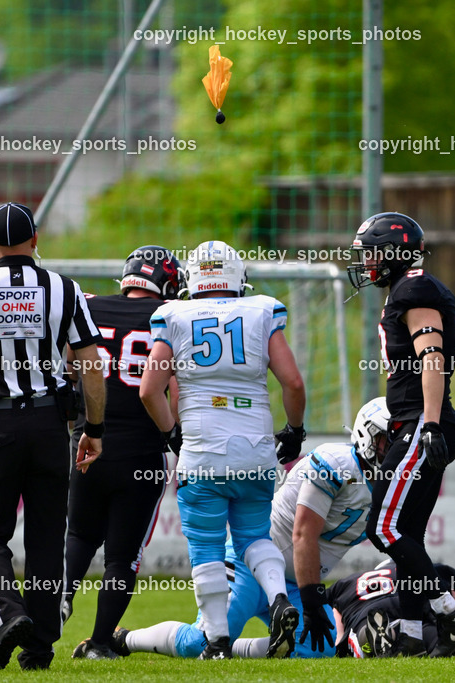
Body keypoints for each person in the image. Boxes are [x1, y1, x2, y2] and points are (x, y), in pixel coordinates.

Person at [0, 202, 106, 670]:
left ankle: (7, 614)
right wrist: (92, 430)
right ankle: (38, 647)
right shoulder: (65, 288)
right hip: (49, 424)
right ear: (36, 241)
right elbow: (91, 365)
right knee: (45, 538)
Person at [114, 397, 392, 659]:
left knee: (324, 646)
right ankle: (124, 639)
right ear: (367, 435)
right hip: (251, 563)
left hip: (294, 583)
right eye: (386, 441)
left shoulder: (391, 487)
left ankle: (235, 651)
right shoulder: (336, 463)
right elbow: (303, 534)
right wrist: (313, 599)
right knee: (201, 641)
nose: (392, 451)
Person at [139, 240, 306, 660]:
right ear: (238, 278)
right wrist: (296, 430)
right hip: (255, 449)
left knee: (208, 550)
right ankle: (277, 597)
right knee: (254, 536)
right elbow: (293, 383)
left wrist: (172, 434)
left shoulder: (173, 315)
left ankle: (215, 641)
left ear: (193, 279)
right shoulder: (261, 310)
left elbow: (149, 390)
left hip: (203, 451)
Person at [347, 211, 455, 657]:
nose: (367, 263)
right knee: (408, 534)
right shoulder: (409, 288)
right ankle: (408, 632)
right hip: (424, 421)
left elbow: (432, 358)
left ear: (394, 252)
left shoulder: (414, 288)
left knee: (382, 528)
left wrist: (426, 423)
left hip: (422, 423)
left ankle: (451, 615)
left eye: (373, 253)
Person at [64, 246, 185, 659]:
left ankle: (55, 605)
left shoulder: (89, 306)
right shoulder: (171, 317)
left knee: (78, 535)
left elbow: (67, 367)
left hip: (88, 444)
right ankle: (99, 643)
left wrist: (76, 419)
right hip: (141, 454)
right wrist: (177, 437)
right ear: (168, 285)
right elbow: (173, 390)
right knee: (122, 555)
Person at [327, 562, 455, 658]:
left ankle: (378, 634)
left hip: (370, 609)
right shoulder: (420, 568)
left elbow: (332, 611)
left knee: (361, 634)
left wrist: (339, 641)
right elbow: (450, 591)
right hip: (414, 607)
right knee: (436, 641)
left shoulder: (346, 582)